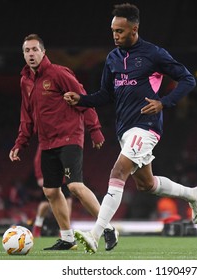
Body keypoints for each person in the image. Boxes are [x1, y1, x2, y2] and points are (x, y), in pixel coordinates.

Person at [64, 3, 197, 254]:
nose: (115, 36)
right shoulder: (112, 58)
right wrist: (82, 100)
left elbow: (188, 79)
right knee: (147, 185)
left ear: (134, 29)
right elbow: (106, 94)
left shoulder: (153, 54)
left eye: (120, 31)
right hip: (124, 129)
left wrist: (164, 102)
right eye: (113, 31)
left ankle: (95, 234)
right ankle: (194, 195)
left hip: (146, 126)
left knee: (118, 172)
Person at [9, 34, 118, 251]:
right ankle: (67, 238)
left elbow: (82, 97)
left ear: (43, 52)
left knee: (75, 186)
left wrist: (94, 130)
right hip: (46, 142)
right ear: (23, 54)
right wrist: (20, 143)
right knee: (50, 191)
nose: (31, 54)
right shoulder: (25, 81)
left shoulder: (59, 73)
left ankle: (108, 228)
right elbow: (26, 115)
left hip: (69, 136)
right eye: (27, 51)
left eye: (34, 50)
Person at [32, 145, 73, 238]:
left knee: (68, 202)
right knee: (45, 204)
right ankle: (37, 225)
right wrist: (39, 176)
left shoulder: (68, 141)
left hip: (64, 179)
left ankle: (64, 229)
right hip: (51, 176)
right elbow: (38, 159)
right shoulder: (48, 139)